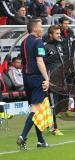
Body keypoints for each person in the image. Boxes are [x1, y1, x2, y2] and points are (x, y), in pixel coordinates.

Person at [17, 19, 49, 150]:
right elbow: (39, 61)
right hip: (36, 77)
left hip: (26, 78)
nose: (42, 29)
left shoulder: (23, 42)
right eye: (41, 27)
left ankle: (40, 141)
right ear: (35, 29)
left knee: (37, 109)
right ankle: (22, 136)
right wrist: (46, 78)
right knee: (36, 108)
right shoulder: (38, 41)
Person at [44, 25, 64, 136]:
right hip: (51, 80)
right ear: (50, 35)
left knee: (57, 104)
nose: (59, 35)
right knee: (52, 104)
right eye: (57, 33)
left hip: (60, 79)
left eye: (59, 33)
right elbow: (42, 64)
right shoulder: (46, 47)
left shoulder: (59, 46)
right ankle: (54, 128)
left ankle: (48, 124)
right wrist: (47, 79)